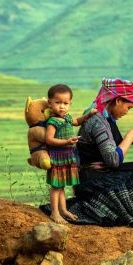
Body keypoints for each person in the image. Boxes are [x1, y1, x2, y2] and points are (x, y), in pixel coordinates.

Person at [41, 77, 133, 227]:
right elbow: (113, 160)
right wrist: (130, 136)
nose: (127, 112)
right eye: (128, 107)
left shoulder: (103, 116)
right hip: (93, 180)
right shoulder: (99, 122)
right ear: (117, 101)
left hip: (97, 174)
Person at [44, 84, 97, 224]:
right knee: (56, 186)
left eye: (65, 103)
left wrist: (88, 115)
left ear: (70, 104)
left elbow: (76, 121)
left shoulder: (67, 118)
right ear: (50, 103)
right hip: (58, 158)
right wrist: (66, 141)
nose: (62, 106)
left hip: (68, 157)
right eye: (58, 102)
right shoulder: (53, 121)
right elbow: (49, 140)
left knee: (61, 185)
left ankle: (63, 209)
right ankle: (54, 212)